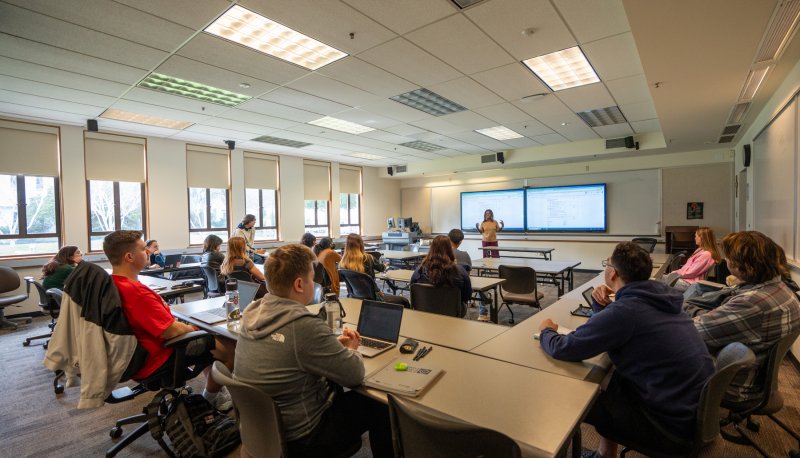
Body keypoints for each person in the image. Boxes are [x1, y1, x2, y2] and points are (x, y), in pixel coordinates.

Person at [538, 242, 714, 458]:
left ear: (613, 273)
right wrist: (601, 305)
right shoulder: (660, 298)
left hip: (668, 428)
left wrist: (547, 330)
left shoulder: (627, 311)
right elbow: (611, 328)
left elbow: (565, 348)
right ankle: (606, 454)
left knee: (576, 395)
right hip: (686, 411)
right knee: (611, 377)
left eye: (607, 264)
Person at [234, 244, 392, 457]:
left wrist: (331, 346)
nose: (315, 283)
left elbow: (293, 353)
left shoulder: (251, 312)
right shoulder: (303, 325)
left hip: (262, 431)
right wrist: (352, 349)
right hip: (303, 437)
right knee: (380, 405)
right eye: (312, 278)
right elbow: (355, 374)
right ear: (299, 284)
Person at [104, 230, 235, 410]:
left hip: (138, 355)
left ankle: (217, 388)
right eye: (143, 249)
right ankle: (209, 398)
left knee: (208, 341)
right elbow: (171, 331)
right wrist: (194, 328)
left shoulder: (113, 283)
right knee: (230, 346)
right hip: (159, 355)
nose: (148, 252)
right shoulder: (137, 292)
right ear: (129, 257)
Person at [688, 231, 800, 402]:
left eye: (729, 258)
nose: (726, 261)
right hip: (752, 374)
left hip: (730, 385)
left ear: (743, 265)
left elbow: (689, 334)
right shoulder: (782, 289)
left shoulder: (753, 303)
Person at [339, 234, 409, 307]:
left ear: (347, 246)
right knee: (404, 301)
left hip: (354, 297)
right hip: (374, 298)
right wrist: (385, 265)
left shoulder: (343, 263)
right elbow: (381, 268)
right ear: (361, 244)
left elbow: (342, 280)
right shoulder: (368, 258)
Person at [410, 235, 472, 317]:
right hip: (452, 313)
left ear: (431, 249)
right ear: (450, 249)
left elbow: (413, 290)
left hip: (424, 310)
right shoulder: (459, 271)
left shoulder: (419, 270)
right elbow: (467, 296)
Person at [668, 227, 720, 292]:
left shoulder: (706, 255)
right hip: (686, 280)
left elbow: (691, 273)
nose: (695, 238)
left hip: (689, 283)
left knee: (658, 280)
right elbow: (687, 269)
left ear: (702, 238)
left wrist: (675, 274)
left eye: (696, 236)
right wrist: (675, 273)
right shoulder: (700, 250)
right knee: (659, 278)